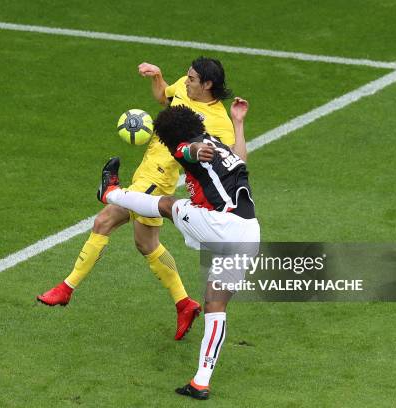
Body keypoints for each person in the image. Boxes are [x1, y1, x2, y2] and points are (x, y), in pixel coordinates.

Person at [37, 57, 239, 341]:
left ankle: (66, 289)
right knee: (146, 244)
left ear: (208, 85)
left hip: (157, 181)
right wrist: (157, 77)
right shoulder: (184, 86)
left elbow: (226, 159)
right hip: (144, 173)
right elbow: (163, 98)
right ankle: (184, 304)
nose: (186, 80)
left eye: (193, 79)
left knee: (104, 220)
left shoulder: (220, 122)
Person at [97, 101, 259, 400]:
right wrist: (238, 123)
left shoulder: (186, 147)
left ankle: (109, 193)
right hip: (249, 234)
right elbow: (241, 159)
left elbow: (188, 152)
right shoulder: (218, 144)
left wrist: (192, 152)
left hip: (221, 225)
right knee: (215, 305)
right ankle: (200, 382)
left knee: (167, 204)